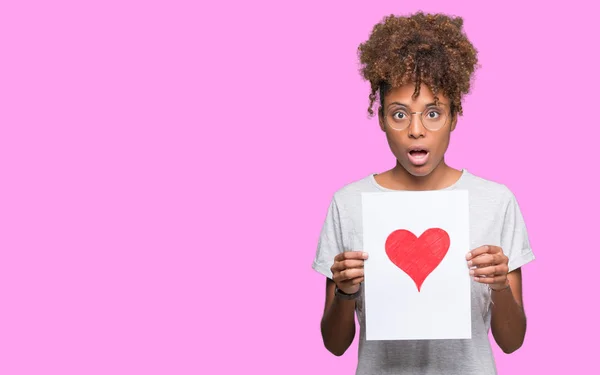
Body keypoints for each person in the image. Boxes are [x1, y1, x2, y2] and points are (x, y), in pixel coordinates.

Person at [312, 12, 535, 375]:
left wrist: (500, 287)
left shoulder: (496, 202)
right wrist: (344, 292)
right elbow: (334, 345)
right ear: (381, 118)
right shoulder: (349, 204)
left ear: (455, 116)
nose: (416, 130)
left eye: (433, 113)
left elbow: (512, 342)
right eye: (400, 115)